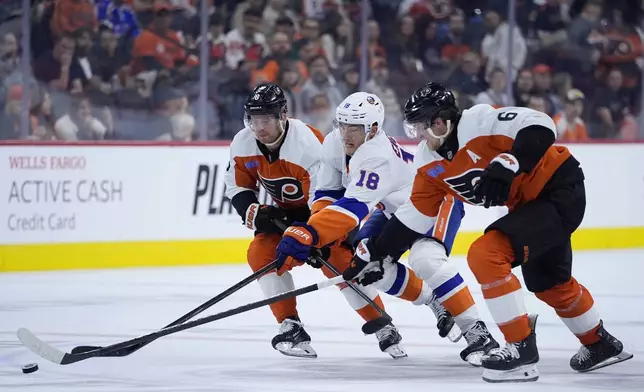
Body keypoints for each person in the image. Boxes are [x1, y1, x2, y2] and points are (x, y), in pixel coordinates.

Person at [343, 82, 633, 382]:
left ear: (442, 120)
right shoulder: (429, 161)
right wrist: (379, 251)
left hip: (558, 187)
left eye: (423, 126)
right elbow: (417, 213)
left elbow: (540, 124)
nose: (419, 136)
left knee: (487, 254)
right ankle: (600, 345)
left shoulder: (478, 122)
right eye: (413, 128)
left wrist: (510, 160)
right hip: (529, 207)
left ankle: (520, 348)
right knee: (549, 283)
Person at [274, 92, 498, 364]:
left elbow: (353, 208)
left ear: (374, 129)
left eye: (354, 127)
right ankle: (435, 299)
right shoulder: (334, 142)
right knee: (365, 266)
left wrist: (310, 234)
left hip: (437, 202)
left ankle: (477, 333)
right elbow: (328, 193)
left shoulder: (376, 156)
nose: (346, 133)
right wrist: (314, 233)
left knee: (426, 260)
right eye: (342, 124)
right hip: (395, 212)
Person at [223, 83, 398, 359]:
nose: (259, 128)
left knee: (338, 265)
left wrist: (314, 234)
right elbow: (237, 186)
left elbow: (325, 194)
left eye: (266, 120)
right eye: (253, 120)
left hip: (327, 213)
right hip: (286, 218)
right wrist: (258, 213)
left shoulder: (307, 144)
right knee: (260, 253)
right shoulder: (242, 143)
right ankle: (290, 326)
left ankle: (381, 324)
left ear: (282, 115)